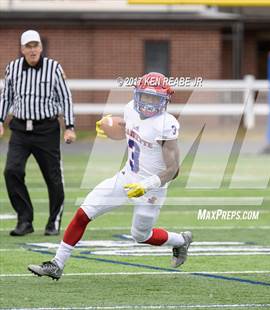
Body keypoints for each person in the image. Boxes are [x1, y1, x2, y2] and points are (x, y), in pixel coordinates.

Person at [27, 72, 192, 280]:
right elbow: (129, 128)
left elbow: (174, 170)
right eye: (145, 96)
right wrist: (111, 126)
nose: (149, 102)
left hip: (152, 188)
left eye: (154, 98)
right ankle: (57, 264)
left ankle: (180, 240)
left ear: (165, 100)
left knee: (140, 235)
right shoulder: (130, 109)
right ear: (137, 94)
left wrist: (146, 185)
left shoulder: (167, 124)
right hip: (126, 177)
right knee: (83, 212)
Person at [0, 30, 76, 236]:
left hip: (46, 130)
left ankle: (54, 221)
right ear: (22, 49)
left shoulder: (53, 68)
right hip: (20, 129)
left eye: (36, 46)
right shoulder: (13, 68)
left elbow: (65, 98)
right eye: (28, 46)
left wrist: (69, 127)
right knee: (11, 171)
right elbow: (6, 97)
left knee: (52, 177)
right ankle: (25, 220)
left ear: (41, 47)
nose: (32, 50)